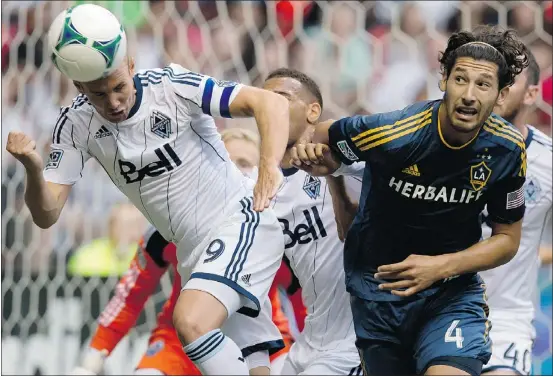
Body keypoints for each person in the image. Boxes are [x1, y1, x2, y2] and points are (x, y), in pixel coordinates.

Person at [5, 5, 290, 375]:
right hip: (192, 252)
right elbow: (46, 215)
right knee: (254, 365)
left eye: (119, 87)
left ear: (132, 65)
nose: (114, 103)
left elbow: (269, 103)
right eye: (98, 95)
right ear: (78, 88)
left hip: (238, 223)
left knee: (189, 321)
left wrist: (268, 167)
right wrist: (31, 166)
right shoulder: (74, 126)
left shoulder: (173, 87)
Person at [290, 25, 529, 375]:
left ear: (502, 94)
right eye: (460, 79)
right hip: (379, 292)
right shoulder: (396, 132)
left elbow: (507, 240)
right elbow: (324, 137)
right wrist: (326, 174)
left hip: (450, 295)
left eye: (483, 85)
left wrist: (440, 267)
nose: (469, 95)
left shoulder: (507, 149)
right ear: (443, 79)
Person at [259, 68, 362, 375]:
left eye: (280, 99)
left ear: (312, 111)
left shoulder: (352, 164)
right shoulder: (263, 188)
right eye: (263, 101)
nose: (268, 107)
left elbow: (360, 231)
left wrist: (335, 173)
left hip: (354, 342)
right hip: (310, 340)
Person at [479, 50, 552, 376]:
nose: (499, 85)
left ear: (532, 93)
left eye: (511, 77)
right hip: (437, 309)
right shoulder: (442, 148)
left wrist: (538, 254)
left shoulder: (548, 162)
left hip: (504, 317)